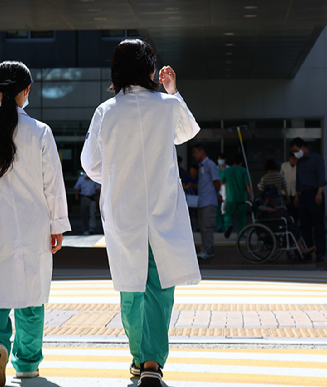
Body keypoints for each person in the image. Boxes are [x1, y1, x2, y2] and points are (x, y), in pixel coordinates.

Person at [81, 39, 201, 387]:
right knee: (160, 286)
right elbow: (187, 132)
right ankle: (152, 360)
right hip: (162, 208)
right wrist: (173, 91)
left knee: (130, 285)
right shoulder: (166, 106)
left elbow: (91, 164)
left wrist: (116, 176)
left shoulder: (106, 111)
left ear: (116, 71)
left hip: (123, 209)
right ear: (151, 69)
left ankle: (138, 358)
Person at [0, 61, 71, 387]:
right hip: (34, 227)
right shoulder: (40, 131)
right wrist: (57, 225)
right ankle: (28, 363)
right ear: (27, 92)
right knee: (31, 295)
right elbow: (53, 184)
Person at [290, 137, 327, 262]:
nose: (295, 154)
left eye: (296, 150)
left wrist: (319, 193)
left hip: (315, 193)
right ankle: (307, 252)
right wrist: (296, 196)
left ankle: (320, 252)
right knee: (304, 225)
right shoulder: (300, 162)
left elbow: (321, 176)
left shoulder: (316, 159)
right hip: (303, 196)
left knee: (318, 225)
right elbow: (298, 180)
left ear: (303, 147)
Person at [191, 144, 221, 259]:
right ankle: (205, 249)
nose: (193, 155)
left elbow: (217, 181)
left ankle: (208, 251)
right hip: (203, 201)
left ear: (201, 151)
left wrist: (214, 194)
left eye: (194, 152)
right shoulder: (202, 165)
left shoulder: (210, 164)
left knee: (207, 227)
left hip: (208, 201)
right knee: (203, 227)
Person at [221, 154, 253, 239]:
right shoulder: (244, 171)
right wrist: (251, 196)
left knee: (227, 214)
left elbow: (222, 182)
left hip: (230, 197)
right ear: (241, 162)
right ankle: (241, 234)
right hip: (242, 198)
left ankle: (228, 225)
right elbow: (248, 185)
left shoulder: (227, 171)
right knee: (242, 217)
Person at [280, 154, 298, 221]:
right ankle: (290, 225)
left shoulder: (299, 166)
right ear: (290, 158)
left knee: (296, 210)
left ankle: (295, 224)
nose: (294, 160)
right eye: (292, 158)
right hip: (286, 192)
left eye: (295, 159)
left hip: (296, 191)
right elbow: (281, 177)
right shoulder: (284, 165)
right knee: (288, 209)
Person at [183, 165, 199, 231]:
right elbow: (183, 187)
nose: (192, 173)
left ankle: (199, 227)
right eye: (191, 171)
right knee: (189, 214)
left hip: (198, 197)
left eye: (194, 171)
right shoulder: (187, 178)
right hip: (189, 197)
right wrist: (187, 186)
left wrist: (193, 185)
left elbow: (200, 186)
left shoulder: (199, 178)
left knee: (198, 214)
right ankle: (189, 228)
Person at [216, 154, 229, 232]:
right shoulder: (216, 169)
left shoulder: (229, 169)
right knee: (218, 212)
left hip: (228, 192)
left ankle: (227, 226)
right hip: (218, 192)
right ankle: (219, 227)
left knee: (226, 210)